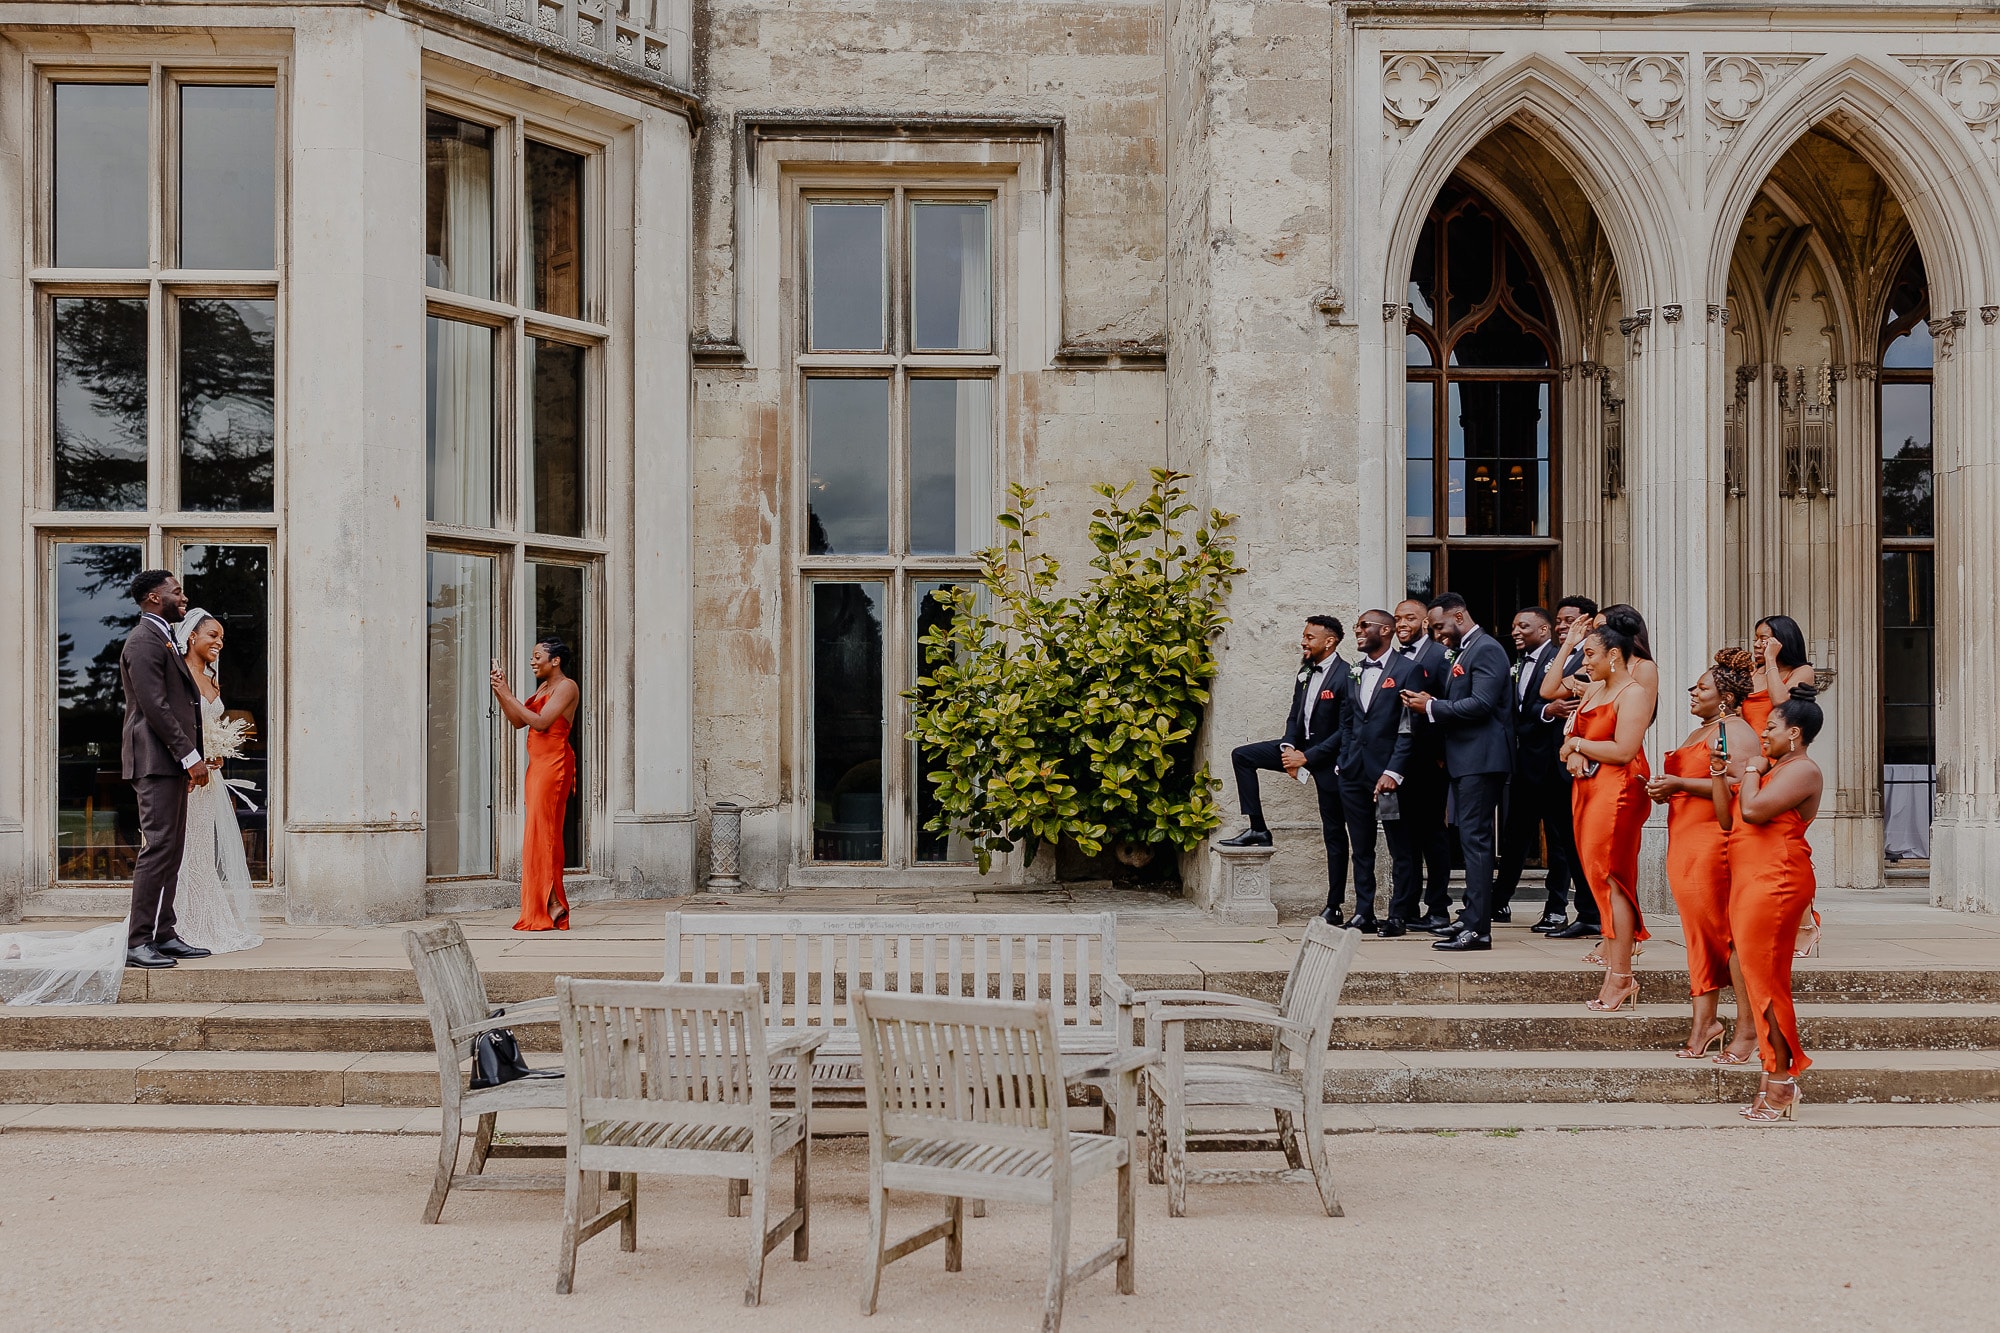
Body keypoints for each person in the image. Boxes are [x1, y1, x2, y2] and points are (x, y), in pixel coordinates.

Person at [1714, 685, 1826, 1122]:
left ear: (1794, 733)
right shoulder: (1775, 769)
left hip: (1776, 880)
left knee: (1767, 982)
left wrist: (1750, 769)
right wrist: (1720, 774)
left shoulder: (1803, 770)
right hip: (1752, 878)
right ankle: (1771, 1076)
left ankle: (1781, 1080)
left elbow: (1755, 811)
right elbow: (1729, 818)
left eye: (1771, 728)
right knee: (1752, 974)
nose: (1762, 734)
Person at [1646, 649, 1758, 1058]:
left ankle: (1746, 1027)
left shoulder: (1736, 731)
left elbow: (1738, 786)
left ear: (1725, 697)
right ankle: (1705, 1023)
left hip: (1713, 844)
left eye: (1702, 687)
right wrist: (1667, 789)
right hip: (1687, 842)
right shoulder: (1703, 730)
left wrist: (1678, 784)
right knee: (1699, 937)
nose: (1693, 692)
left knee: (1724, 938)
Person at [1220, 617, 1352, 924]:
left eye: (1310, 637)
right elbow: (1294, 716)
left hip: (1329, 759)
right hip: (1298, 750)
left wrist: (1305, 758)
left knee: (1334, 833)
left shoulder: (1347, 675)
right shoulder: (1305, 671)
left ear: (1329, 641)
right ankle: (1258, 828)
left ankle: (1334, 905)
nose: (1303, 641)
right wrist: (1289, 749)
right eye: (1304, 635)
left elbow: (1345, 731)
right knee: (1243, 756)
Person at [1400, 593, 1512, 952]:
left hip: (1482, 758)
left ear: (1459, 616)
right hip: (1465, 759)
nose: (1437, 635)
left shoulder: (1487, 649)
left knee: (1476, 842)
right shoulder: (1464, 650)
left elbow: (1482, 703)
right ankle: (1469, 918)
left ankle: (1478, 929)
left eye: (1439, 626)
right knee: (1469, 840)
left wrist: (1432, 705)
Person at [120, 571, 213, 970]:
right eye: (176, 591)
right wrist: (189, 757)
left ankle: (164, 934)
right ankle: (137, 942)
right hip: (155, 761)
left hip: (169, 763)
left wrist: (187, 761)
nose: (183, 596)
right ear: (155, 598)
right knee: (158, 847)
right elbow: (154, 706)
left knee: (172, 849)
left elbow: (182, 704)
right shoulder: (142, 641)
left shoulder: (164, 638)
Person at [1561, 624, 1652, 1009]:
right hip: (1589, 788)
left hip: (1618, 791)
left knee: (1613, 878)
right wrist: (1574, 749)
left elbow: (1624, 750)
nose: (1584, 663)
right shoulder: (1596, 689)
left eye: (1589, 654)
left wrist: (1578, 745)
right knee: (1598, 878)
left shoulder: (1634, 693)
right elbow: (1569, 735)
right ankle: (1617, 971)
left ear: (1613, 654)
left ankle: (1621, 977)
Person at [167, 609, 264, 954]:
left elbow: (206, 727)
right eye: (213, 635)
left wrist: (217, 752)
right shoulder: (177, 676)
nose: (219, 642)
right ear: (192, 635)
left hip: (210, 779)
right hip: (184, 779)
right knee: (182, 850)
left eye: (222, 637)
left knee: (202, 850)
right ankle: (175, 923)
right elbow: (170, 727)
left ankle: (205, 920)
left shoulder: (212, 679)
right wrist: (190, 760)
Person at [1493, 607, 1576, 932]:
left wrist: (1545, 711)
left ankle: (1556, 909)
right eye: (1514, 625)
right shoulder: (1515, 662)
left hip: (1554, 768)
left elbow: (1558, 708)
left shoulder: (1563, 660)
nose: (1515, 631)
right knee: (1514, 837)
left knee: (1558, 842)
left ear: (1542, 631)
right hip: (1524, 766)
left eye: (1523, 626)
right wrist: (1542, 711)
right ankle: (1499, 901)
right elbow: (1518, 709)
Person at [492, 638, 581, 932]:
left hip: (554, 765)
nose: (532, 661)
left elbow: (541, 722)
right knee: (538, 834)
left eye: (537, 656)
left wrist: (508, 693)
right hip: (538, 766)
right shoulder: (543, 688)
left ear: (555, 660)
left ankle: (553, 902)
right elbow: (519, 721)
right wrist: (501, 693)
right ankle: (549, 902)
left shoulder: (567, 687)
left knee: (547, 834)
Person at [1746, 614, 1820, 959]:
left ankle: (1806, 925)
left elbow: (1782, 706)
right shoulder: (1751, 672)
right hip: (1752, 765)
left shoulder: (1801, 672)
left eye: (1765, 638)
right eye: (1756, 638)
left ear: (1782, 640)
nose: (1758, 644)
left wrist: (1772, 663)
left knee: (1786, 846)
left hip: (1785, 766)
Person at [1335, 610, 1413, 934]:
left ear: (1386, 630)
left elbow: (1408, 728)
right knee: (1361, 847)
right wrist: (1342, 761)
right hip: (1353, 772)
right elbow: (1348, 720)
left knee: (1400, 847)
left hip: (1388, 775)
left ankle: (1398, 915)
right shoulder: (1354, 671)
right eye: (1357, 625)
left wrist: (1394, 771)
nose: (1358, 630)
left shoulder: (1408, 669)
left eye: (1364, 625)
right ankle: (1363, 912)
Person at [1536, 596, 1601, 940]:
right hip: (1559, 762)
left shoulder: (1602, 663)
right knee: (1566, 841)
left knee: (1583, 843)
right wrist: (1568, 645)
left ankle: (1595, 913)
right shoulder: (1567, 655)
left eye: (1569, 621)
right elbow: (1547, 690)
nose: (1562, 626)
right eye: (1559, 620)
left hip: (1589, 762)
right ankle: (1587, 912)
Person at [1387, 599, 1453, 930]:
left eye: (1410, 618)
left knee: (1432, 836)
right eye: (1398, 618)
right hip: (1398, 762)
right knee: (1405, 838)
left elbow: (1450, 702)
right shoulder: (1393, 659)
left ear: (1425, 623)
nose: (1402, 624)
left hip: (1429, 761)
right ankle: (1408, 907)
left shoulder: (1440, 656)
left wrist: (1441, 754)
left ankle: (1438, 908)